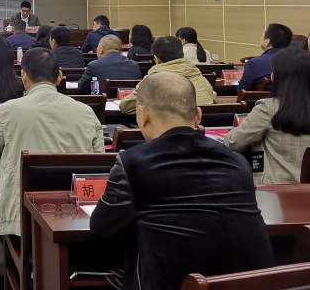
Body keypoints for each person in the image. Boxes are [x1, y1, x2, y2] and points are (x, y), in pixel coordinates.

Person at [91, 72, 273, 290]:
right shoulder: (238, 162)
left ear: (143, 114)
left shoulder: (133, 162)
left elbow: (101, 227)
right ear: (198, 115)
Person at [0, 48, 104, 237]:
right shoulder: (86, 112)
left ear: (23, 76)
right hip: (76, 219)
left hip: (22, 221)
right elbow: (99, 162)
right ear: (59, 76)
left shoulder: (8, 111)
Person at [225, 48, 310, 185]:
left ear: (277, 76)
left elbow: (233, 142)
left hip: (274, 192)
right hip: (306, 193)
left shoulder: (268, 108)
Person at [118, 36, 216, 115]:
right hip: (206, 128)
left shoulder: (152, 80)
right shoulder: (198, 76)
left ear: (157, 59)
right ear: (182, 56)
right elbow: (212, 97)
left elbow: (125, 106)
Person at [239, 23, 293, 90]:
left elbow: (242, 90)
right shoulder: (299, 62)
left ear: (267, 41)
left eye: (262, 36)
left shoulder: (253, 64)